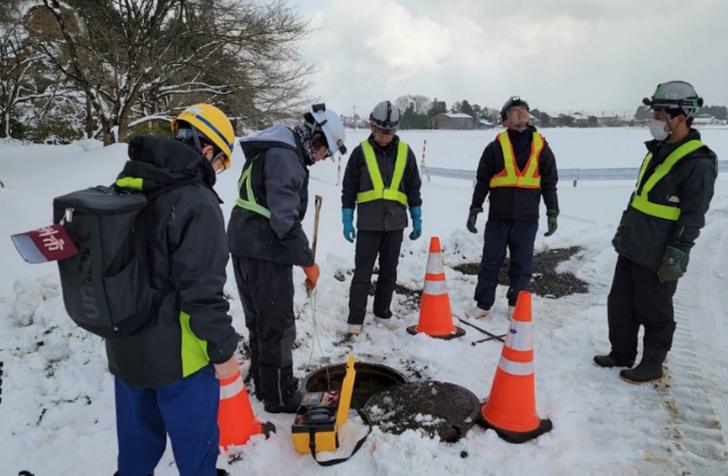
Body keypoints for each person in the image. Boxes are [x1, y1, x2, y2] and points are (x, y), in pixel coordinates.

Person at [109, 104, 239, 476]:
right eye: (221, 162)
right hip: (180, 357)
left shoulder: (127, 182)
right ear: (208, 150)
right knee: (196, 448)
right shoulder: (196, 201)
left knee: (135, 448)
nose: (217, 171)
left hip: (125, 345)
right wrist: (222, 350)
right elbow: (202, 292)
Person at [594, 81, 717, 384]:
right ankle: (621, 353)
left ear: (680, 118)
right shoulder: (656, 153)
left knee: (655, 309)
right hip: (634, 244)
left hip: (660, 252)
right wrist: (624, 227)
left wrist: (677, 251)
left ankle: (652, 364)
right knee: (620, 303)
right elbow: (640, 197)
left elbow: (693, 214)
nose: (654, 122)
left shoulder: (698, 162)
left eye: (660, 117)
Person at [227, 104, 347, 413]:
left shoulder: (275, 148)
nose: (323, 159)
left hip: (244, 243)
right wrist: (308, 262)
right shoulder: (286, 158)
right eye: (326, 152)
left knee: (259, 320)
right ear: (316, 137)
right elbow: (284, 221)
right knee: (278, 326)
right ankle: (279, 394)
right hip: (264, 250)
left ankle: (261, 378)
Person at [466, 96, 559, 319]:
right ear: (505, 121)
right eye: (515, 110)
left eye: (524, 109)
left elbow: (549, 182)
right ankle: (483, 304)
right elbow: (482, 181)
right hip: (499, 216)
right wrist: (475, 208)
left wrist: (552, 211)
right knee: (491, 261)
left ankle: (515, 304)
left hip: (527, 218)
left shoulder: (541, 147)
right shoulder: (495, 148)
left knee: (522, 262)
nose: (521, 112)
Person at [341, 100, 423, 335]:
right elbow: (349, 188)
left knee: (389, 271)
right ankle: (355, 318)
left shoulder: (406, 153)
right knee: (363, 272)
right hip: (368, 223)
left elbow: (413, 187)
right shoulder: (360, 153)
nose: (385, 136)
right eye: (381, 131)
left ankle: (382, 312)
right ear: (371, 127)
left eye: (389, 132)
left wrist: (416, 215)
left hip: (396, 223)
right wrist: (347, 216)